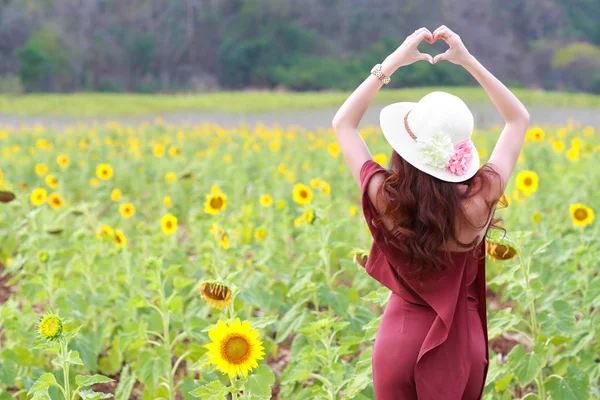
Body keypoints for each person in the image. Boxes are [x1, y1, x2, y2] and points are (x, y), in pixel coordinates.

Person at [331, 25, 530, 399]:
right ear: (460, 152)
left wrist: (392, 62)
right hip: (463, 342)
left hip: (400, 338)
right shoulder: (481, 198)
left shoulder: (385, 196)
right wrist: (468, 61)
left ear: (404, 146)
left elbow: (342, 123)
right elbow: (518, 118)